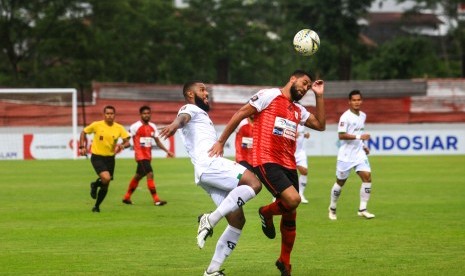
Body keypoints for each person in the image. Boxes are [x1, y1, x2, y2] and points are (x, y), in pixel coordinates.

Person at [209, 70, 326, 276]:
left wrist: (319, 95)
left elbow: (320, 125)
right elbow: (240, 113)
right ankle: (265, 212)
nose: (306, 88)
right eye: (304, 83)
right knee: (293, 200)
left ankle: (285, 262)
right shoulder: (269, 95)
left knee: (291, 214)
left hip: (289, 164)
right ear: (292, 79)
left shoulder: (299, 109)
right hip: (267, 160)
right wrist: (221, 141)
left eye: (309, 86)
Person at [159, 81, 262, 276]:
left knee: (237, 220)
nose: (207, 93)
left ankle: (212, 271)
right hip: (210, 164)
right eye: (202, 90)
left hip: (205, 173)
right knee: (254, 183)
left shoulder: (202, 114)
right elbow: (182, 118)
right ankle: (210, 218)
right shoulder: (190, 108)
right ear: (190, 94)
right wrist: (174, 124)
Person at [328, 90, 375, 220]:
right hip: (346, 154)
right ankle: (332, 208)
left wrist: (363, 146)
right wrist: (361, 137)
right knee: (340, 182)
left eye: (358, 100)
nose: (356, 102)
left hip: (359, 153)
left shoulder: (363, 115)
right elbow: (341, 135)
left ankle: (362, 209)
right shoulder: (345, 117)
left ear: (361, 101)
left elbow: (357, 131)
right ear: (349, 102)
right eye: (354, 100)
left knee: (367, 177)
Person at [79, 105, 130, 213]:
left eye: (112, 114)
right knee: (106, 178)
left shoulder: (119, 128)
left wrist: (122, 145)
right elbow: (83, 132)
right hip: (97, 157)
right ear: (104, 115)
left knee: (106, 185)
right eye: (107, 113)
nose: (110, 116)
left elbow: (127, 142)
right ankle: (94, 185)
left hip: (110, 159)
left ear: (114, 115)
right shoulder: (97, 125)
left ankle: (96, 206)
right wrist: (82, 146)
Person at [122, 105, 174, 206]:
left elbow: (157, 141)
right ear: (140, 115)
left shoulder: (153, 127)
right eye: (144, 113)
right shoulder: (135, 126)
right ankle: (156, 200)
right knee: (150, 174)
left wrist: (167, 151)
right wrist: (123, 145)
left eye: (148, 113)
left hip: (148, 156)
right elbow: (126, 138)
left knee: (138, 176)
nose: (146, 115)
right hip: (140, 156)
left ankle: (127, 197)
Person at [295, 124, 310, 204]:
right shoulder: (288, 119)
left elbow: (301, 133)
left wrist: (305, 134)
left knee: (304, 171)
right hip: (288, 151)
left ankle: (300, 194)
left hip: (300, 152)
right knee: (284, 173)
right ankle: (277, 196)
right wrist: (292, 135)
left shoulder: (302, 122)